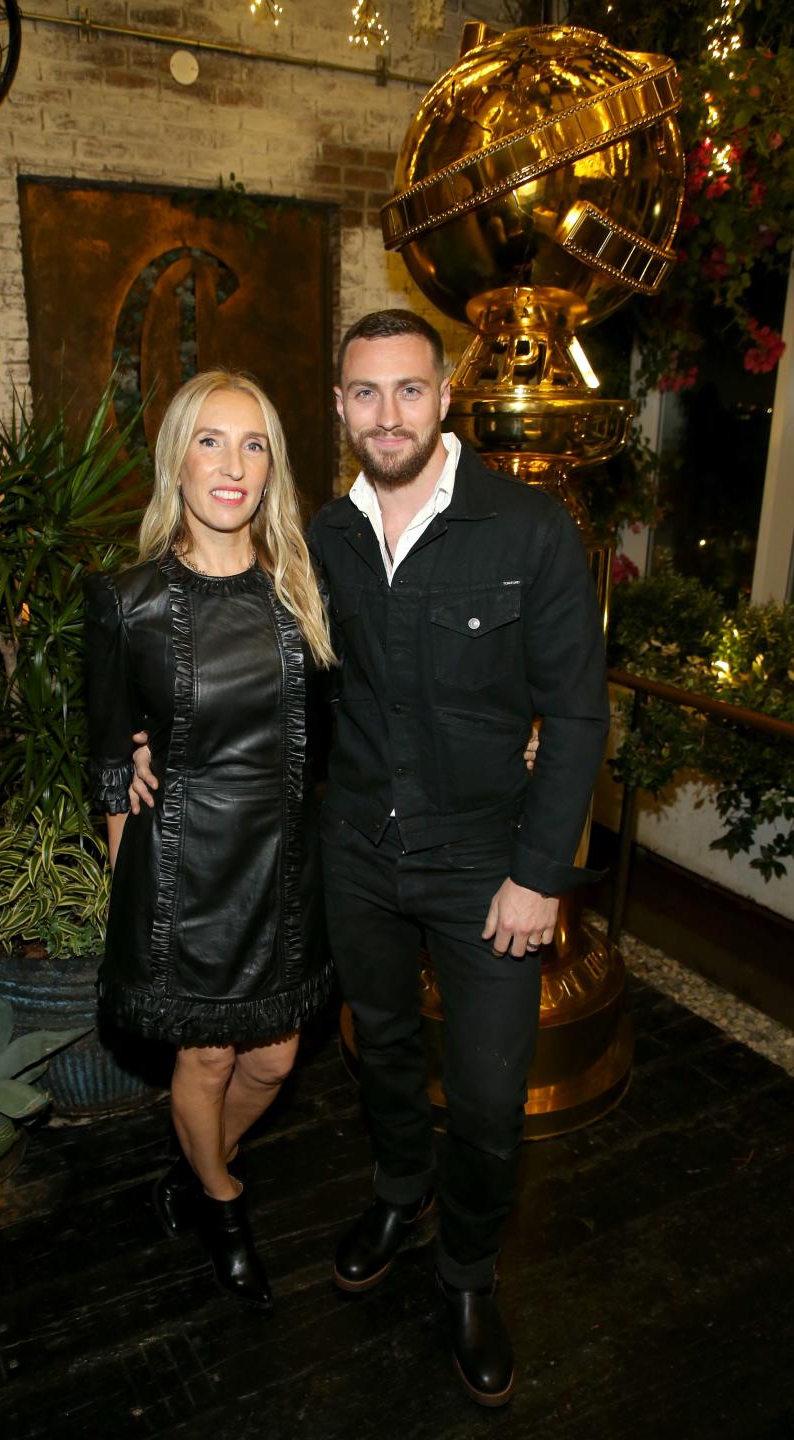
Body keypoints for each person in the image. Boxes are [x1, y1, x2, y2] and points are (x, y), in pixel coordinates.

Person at [307, 309, 610, 1405]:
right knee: (380, 1048)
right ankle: (399, 1189)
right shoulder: (319, 535)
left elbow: (576, 715)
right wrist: (143, 733)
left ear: (445, 400)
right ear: (340, 407)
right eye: (364, 393)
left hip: (490, 868)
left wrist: (539, 873)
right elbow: (255, 660)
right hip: (358, 853)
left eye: (408, 390)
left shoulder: (526, 530)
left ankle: (470, 1271)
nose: (387, 414)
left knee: (486, 1100)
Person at [84, 370, 335, 1311]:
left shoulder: (304, 587)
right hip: (183, 871)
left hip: (286, 866)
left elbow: (353, 726)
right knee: (209, 1059)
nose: (234, 466)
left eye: (255, 444)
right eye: (211, 442)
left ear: (272, 467)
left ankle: (198, 1169)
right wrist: (130, 894)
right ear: (176, 460)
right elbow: (114, 763)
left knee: (272, 1059)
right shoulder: (129, 601)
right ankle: (225, 1205)